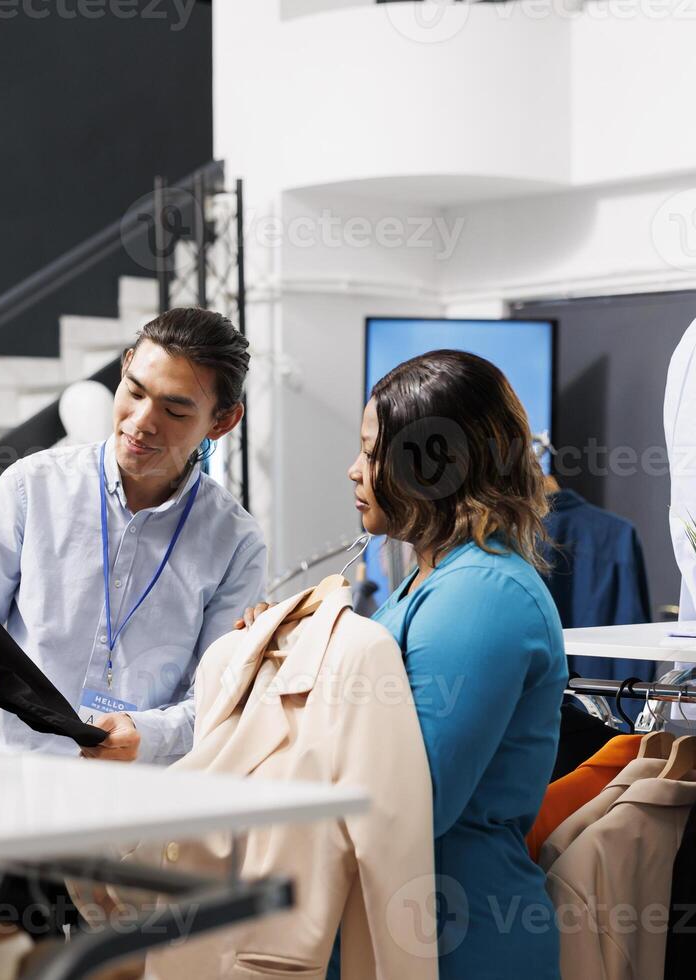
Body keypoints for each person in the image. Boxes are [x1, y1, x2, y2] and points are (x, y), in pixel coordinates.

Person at [242, 349, 567, 978]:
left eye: (370, 452)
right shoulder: (431, 581)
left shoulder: (481, 595)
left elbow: (413, 797)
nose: (353, 471)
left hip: (457, 943)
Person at [0, 307, 267, 766]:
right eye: (134, 391)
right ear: (123, 367)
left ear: (222, 422)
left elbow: (220, 698)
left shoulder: (236, 543)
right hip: (7, 776)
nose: (142, 421)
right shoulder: (31, 486)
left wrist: (149, 733)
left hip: (134, 800)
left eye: (175, 410)